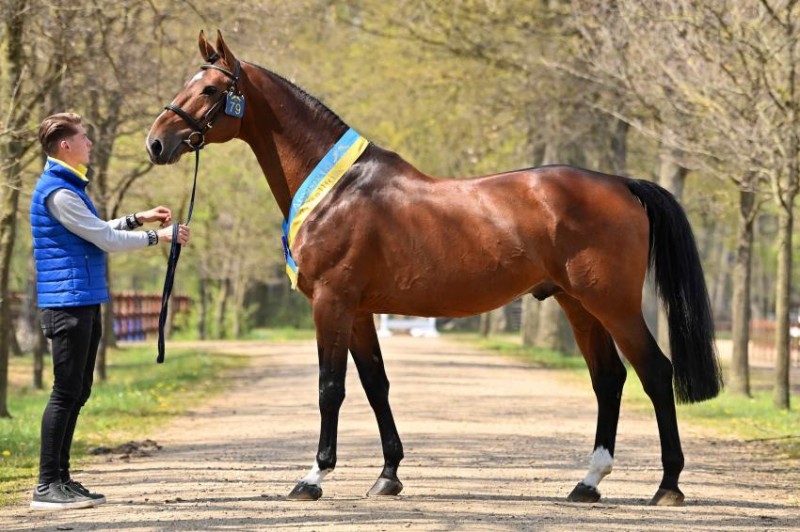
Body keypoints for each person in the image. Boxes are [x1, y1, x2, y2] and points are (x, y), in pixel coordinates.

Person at [29, 112, 191, 510]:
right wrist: (158, 236)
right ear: (65, 145)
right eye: (83, 137)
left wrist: (138, 218)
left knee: (77, 391)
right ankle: (47, 485)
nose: (89, 143)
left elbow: (95, 229)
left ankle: (61, 479)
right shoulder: (59, 193)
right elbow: (104, 238)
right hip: (67, 304)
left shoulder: (68, 188)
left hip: (81, 300)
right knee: (65, 393)